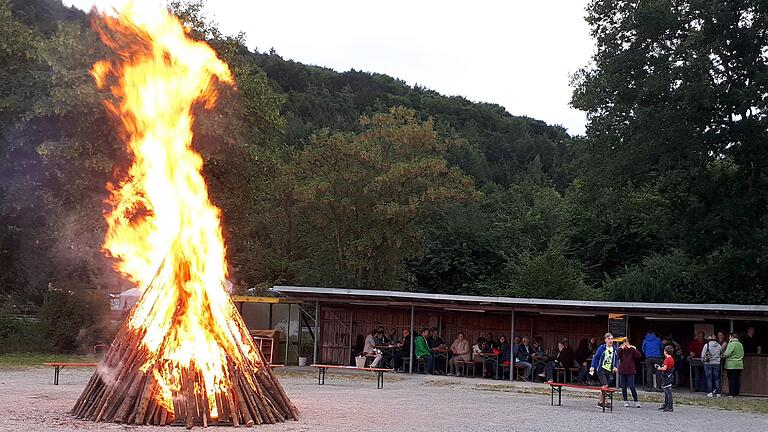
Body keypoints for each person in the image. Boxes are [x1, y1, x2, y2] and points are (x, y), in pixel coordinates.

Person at [590, 333, 620, 409]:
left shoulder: (614, 349)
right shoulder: (602, 348)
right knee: (605, 386)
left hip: (609, 370)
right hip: (601, 369)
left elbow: (616, 359)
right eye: (609, 339)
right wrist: (592, 366)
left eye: (612, 339)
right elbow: (595, 358)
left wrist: (615, 367)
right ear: (605, 340)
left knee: (605, 386)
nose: (610, 340)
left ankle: (599, 402)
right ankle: (606, 402)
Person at [618, 339, 642, 408]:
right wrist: (621, 349)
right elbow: (616, 356)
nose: (625, 344)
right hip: (622, 370)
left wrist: (631, 348)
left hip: (631, 370)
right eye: (624, 343)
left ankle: (636, 401)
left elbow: (639, 355)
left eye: (627, 343)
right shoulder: (621, 350)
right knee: (623, 386)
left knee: (631, 386)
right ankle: (625, 401)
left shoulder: (632, 349)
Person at [721, 332, 744, 397]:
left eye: (729, 337)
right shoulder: (740, 344)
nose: (728, 338)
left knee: (731, 379)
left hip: (731, 364)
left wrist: (722, 355)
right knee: (737, 379)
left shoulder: (731, 344)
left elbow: (727, 353)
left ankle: (731, 393)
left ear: (731, 337)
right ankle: (737, 393)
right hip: (739, 364)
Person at [656, 345, 676, 412]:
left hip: (666, 377)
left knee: (668, 392)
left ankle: (669, 406)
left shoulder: (667, 359)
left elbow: (664, 368)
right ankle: (666, 405)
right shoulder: (672, 358)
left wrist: (659, 368)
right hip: (670, 376)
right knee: (667, 391)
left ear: (665, 352)